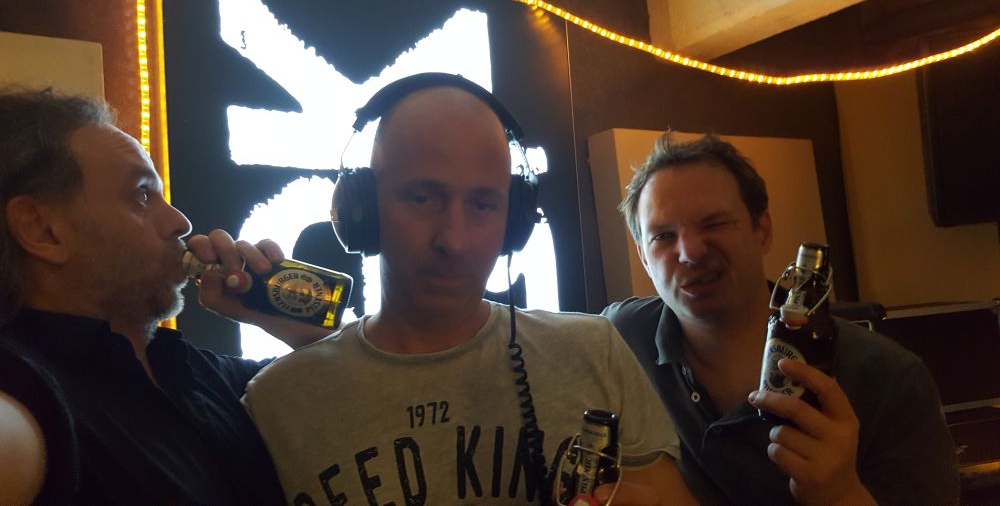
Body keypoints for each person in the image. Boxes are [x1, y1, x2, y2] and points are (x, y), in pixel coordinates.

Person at [243, 74, 697, 505]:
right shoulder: (277, 401)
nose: (454, 240)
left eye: (483, 204)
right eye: (423, 198)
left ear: (515, 219)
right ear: (361, 208)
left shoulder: (596, 351)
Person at [0, 88, 329, 505]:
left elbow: (366, 392)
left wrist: (293, 320)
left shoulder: (202, 373)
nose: (179, 221)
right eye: (142, 195)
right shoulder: (22, 392)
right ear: (41, 230)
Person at [603, 133, 960, 505]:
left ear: (763, 230)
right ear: (644, 258)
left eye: (715, 224)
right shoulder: (617, 338)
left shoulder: (889, 379)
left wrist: (841, 494)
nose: (690, 252)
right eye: (663, 236)